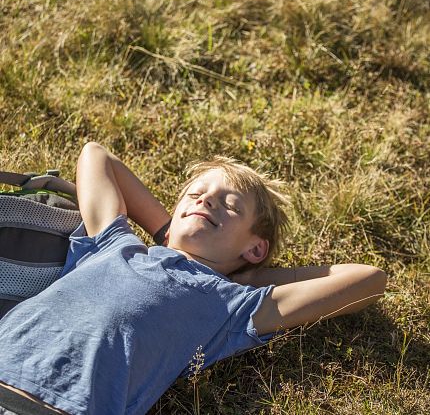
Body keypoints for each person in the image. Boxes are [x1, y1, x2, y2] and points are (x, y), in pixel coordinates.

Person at [0, 142, 386, 415]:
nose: (205, 200)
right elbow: (94, 154)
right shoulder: (114, 245)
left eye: (230, 204)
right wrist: (165, 232)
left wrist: (250, 275)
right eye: (196, 194)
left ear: (255, 247)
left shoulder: (231, 305)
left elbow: (368, 278)